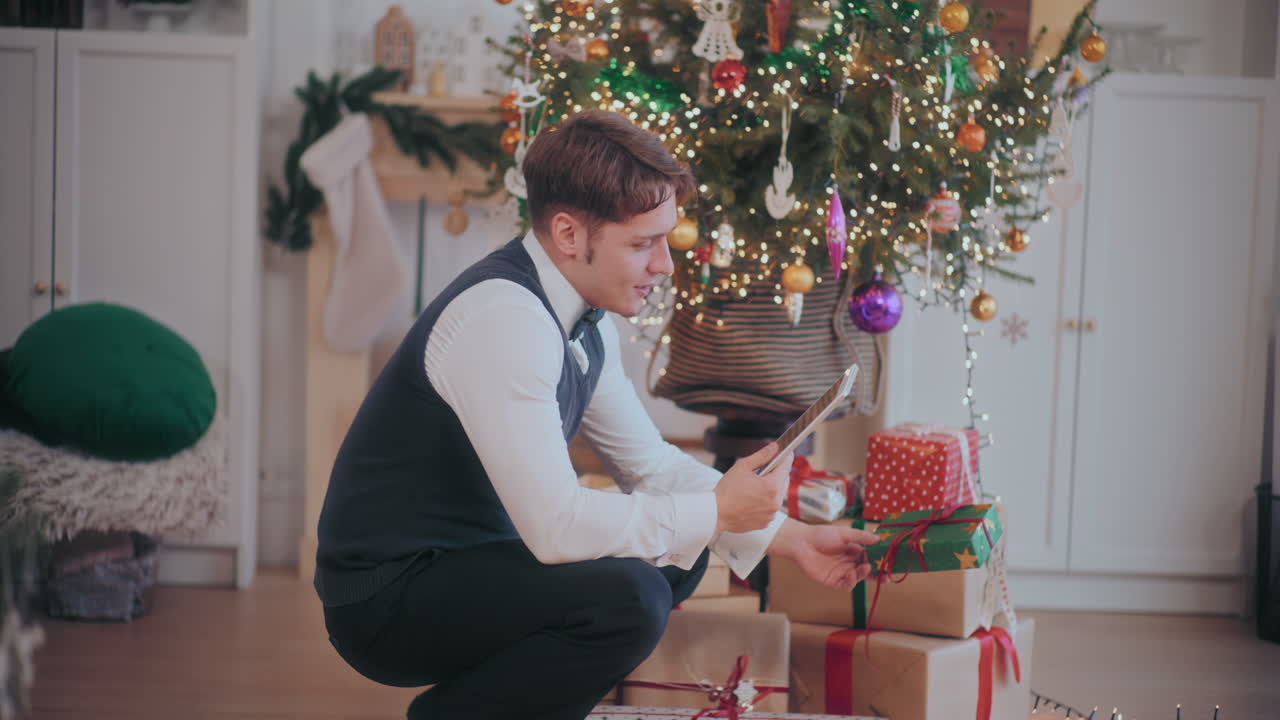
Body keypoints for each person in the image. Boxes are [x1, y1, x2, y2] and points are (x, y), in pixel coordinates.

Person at [314, 109, 880, 720]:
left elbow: (649, 465)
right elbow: (556, 525)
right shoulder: (505, 320)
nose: (666, 264)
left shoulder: (581, 319)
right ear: (568, 235)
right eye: (643, 244)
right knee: (631, 594)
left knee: (677, 554)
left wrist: (794, 540)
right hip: (389, 597)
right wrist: (716, 508)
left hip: (469, 561)